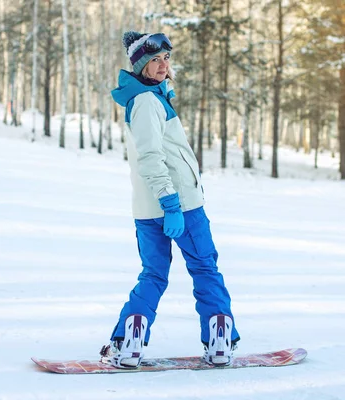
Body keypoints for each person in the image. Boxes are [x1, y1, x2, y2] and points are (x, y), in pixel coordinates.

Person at [100, 31, 240, 369]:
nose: (163, 66)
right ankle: (219, 339)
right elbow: (150, 157)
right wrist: (172, 204)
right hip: (179, 206)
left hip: (149, 209)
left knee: (154, 274)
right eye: (154, 60)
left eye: (166, 59)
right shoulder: (147, 101)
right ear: (141, 65)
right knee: (204, 267)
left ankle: (129, 341)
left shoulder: (147, 97)